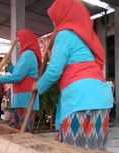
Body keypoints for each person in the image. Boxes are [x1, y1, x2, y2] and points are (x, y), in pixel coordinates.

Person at [32, 0, 113, 150]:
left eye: (55, 20)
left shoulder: (65, 34)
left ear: (64, 17)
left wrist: (39, 85)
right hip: (101, 100)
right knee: (95, 149)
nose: (54, 25)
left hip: (79, 101)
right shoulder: (85, 37)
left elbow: (55, 70)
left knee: (71, 149)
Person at [0, 29, 42, 132]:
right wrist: (10, 66)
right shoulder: (27, 55)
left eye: (20, 41)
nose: (18, 44)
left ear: (26, 40)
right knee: (19, 132)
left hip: (25, 101)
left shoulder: (28, 55)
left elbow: (17, 77)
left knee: (21, 133)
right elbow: (19, 73)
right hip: (22, 101)